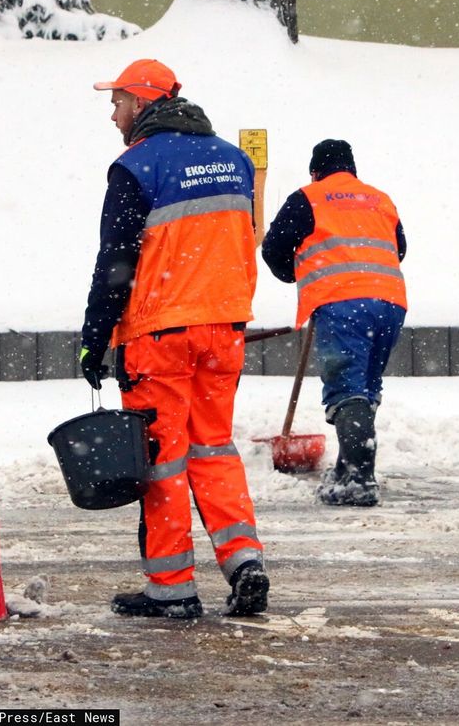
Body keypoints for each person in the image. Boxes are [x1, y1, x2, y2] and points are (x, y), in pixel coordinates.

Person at [82, 59, 269, 619]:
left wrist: (94, 336)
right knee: (213, 449)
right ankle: (245, 562)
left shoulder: (136, 166)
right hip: (225, 329)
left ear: (140, 103)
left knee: (161, 460)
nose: (113, 115)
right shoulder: (234, 161)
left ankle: (172, 590)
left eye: (116, 102)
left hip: (160, 334)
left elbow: (115, 261)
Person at [261, 139, 407, 507]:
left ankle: (359, 480)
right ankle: (347, 469)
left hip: (343, 304)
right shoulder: (379, 199)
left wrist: (298, 275)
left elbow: (273, 247)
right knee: (365, 391)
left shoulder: (309, 197)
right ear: (352, 170)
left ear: (315, 171)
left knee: (347, 392)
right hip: (390, 303)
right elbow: (399, 247)